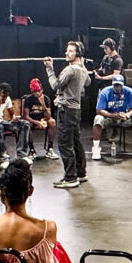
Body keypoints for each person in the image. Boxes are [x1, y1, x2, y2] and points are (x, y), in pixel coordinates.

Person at [45, 41, 91, 189]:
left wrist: (49, 69)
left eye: (70, 51)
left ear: (78, 54)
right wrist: (83, 65)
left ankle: (71, 178)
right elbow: (88, 82)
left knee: (65, 144)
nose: (66, 53)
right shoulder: (82, 70)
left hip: (66, 110)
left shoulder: (70, 70)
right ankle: (81, 173)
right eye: (67, 51)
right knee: (76, 142)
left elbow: (55, 85)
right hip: (75, 110)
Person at [92, 74, 132, 159]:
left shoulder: (129, 91)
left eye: (119, 85)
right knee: (98, 119)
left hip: (124, 117)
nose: (117, 87)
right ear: (112, 84)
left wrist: (127, 114)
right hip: (109, 117)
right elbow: (99, 110)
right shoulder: (105, 92)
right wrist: (113, 115)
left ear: (122, 85)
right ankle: (96, 148)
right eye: (115, 85)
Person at [21, 78, 58, 160]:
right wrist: (37, 122)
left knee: (52, 122)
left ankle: (50, 148)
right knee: (26, 124)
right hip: (32, 120)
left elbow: (49, 116)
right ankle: (31, 150)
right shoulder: (28, 99)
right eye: (35, 91)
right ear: (32, 91)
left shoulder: (46, 99)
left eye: (39, 91)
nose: (37, 93)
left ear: (42, 90)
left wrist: (43, 105)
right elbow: (25, 116)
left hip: (43, 119)